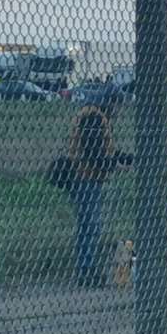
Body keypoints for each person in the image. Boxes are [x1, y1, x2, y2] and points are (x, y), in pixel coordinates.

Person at [48, 91, 131, 287]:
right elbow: (94, 153)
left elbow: (106, 151)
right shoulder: (94, 119)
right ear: (109, 102)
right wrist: (114, 165)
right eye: (118, 104)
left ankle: (87, 267)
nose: (119, 110)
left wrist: (127, 159)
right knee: (90, 226)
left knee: (89, 225)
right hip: (85, 178)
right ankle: (86, 269)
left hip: (87, 177)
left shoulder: (94, 117)